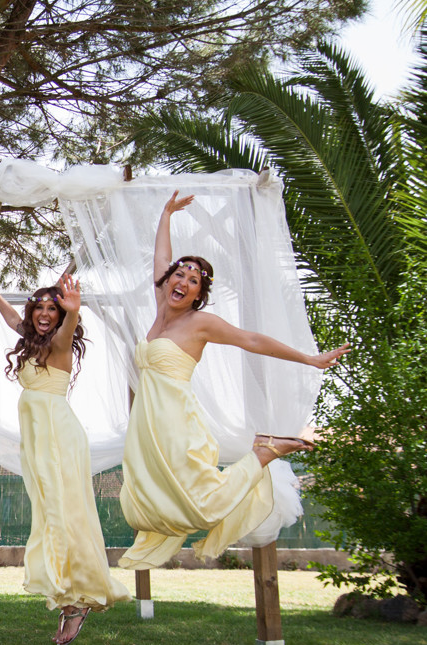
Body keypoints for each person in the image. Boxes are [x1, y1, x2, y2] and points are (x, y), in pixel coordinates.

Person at [119, 192, 350, 569]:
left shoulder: (200, 323)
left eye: (193, 280)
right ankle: (261, 452)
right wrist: (166, 213)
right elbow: (162, 259)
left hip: (177, 420)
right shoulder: (161, 306)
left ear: (198, 295)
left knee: (199, 509)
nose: (183, 281)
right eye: (180, 273)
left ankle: (263, 452)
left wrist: (308, 358)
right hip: (147, 424)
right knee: (142, 508)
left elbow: (252, 340)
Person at [0, 266, 130, 645]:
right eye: (40, 308)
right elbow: (12, 318)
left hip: (58, 437)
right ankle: (69, 593)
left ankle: (76, 600)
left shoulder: (61, 344)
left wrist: (74, 310)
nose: (45, 314)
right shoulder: (32, 343)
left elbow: (66, 328)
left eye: (53, 308)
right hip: (38, 440)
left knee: (67, 513)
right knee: (51, 513)